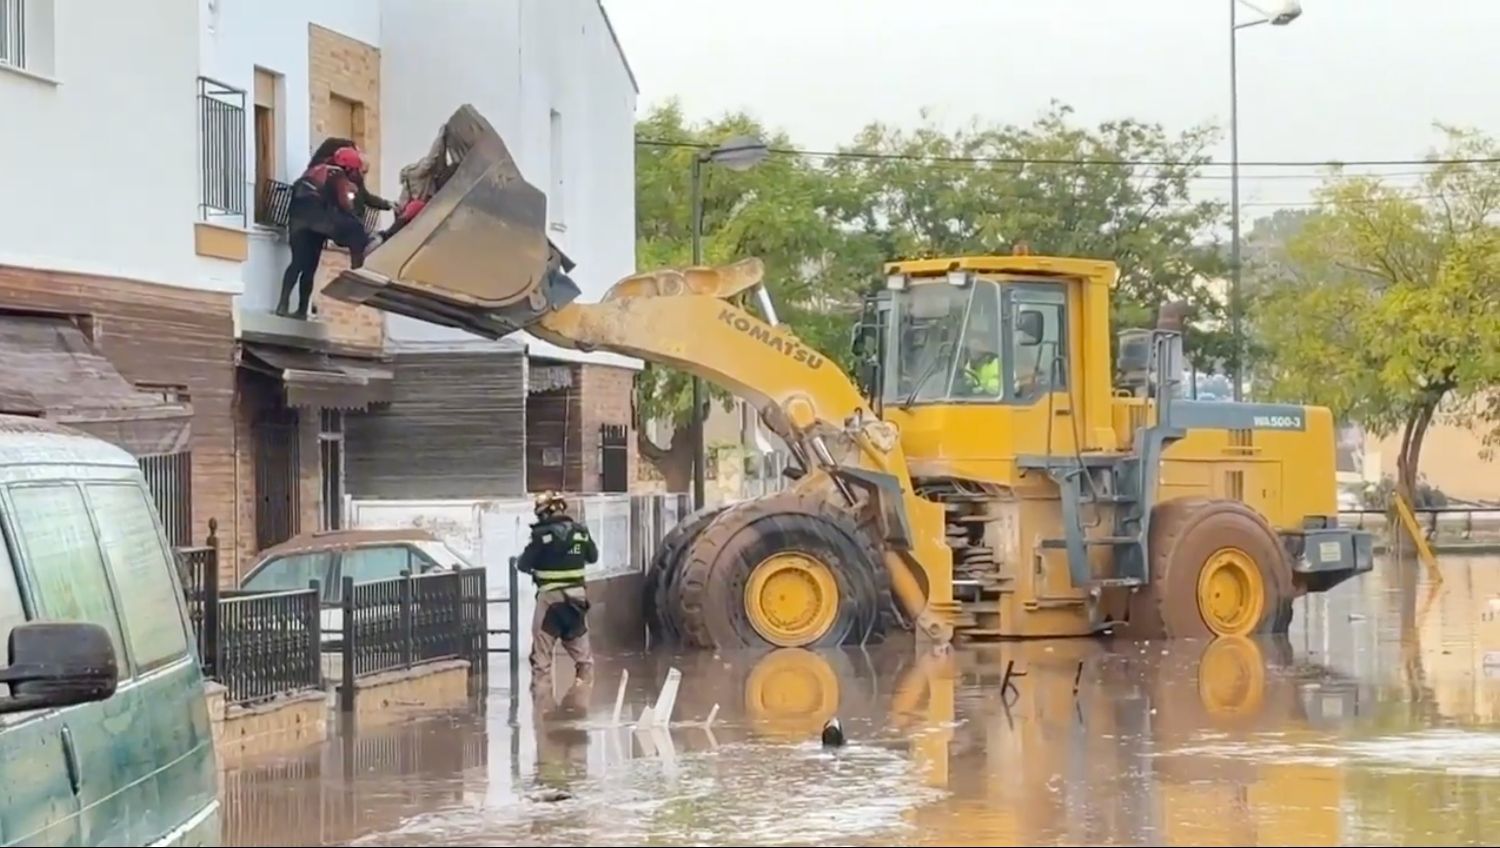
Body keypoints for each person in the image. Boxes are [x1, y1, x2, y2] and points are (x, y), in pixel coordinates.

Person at [275, 141, 392, 320]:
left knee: (297, 263)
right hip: (318, 226)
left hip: (298, 224)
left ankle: (283, 305)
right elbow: (345, 202)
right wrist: (353, 215)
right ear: (349, 167)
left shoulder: (314, 170)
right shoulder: (337, 175)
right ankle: (357, 268)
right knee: (353, 232)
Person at [515, 491, 598, 687]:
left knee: (541, 657)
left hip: (549, 601)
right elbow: (593, 557)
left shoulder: (541, 536)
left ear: (546, 513)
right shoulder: (581, 533)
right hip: (576, 600)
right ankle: (582, 696)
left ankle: (541, 698)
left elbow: (523, 564)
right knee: (583, 658)